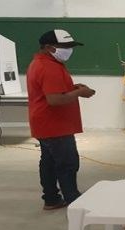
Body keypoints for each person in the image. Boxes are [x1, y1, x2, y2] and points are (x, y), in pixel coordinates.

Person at [26, 29, 96, 210]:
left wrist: (72, 87)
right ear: (49, 47)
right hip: (55, 124)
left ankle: (51, 198)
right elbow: (55, 100)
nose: (69, 50)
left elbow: (52, 91)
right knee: (67, 163)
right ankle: (74, 202)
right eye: (65, 46)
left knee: (48, 161)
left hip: (44, 123)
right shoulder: (49, 67)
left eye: (71, 46)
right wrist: (80, 92)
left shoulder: (41, 62)